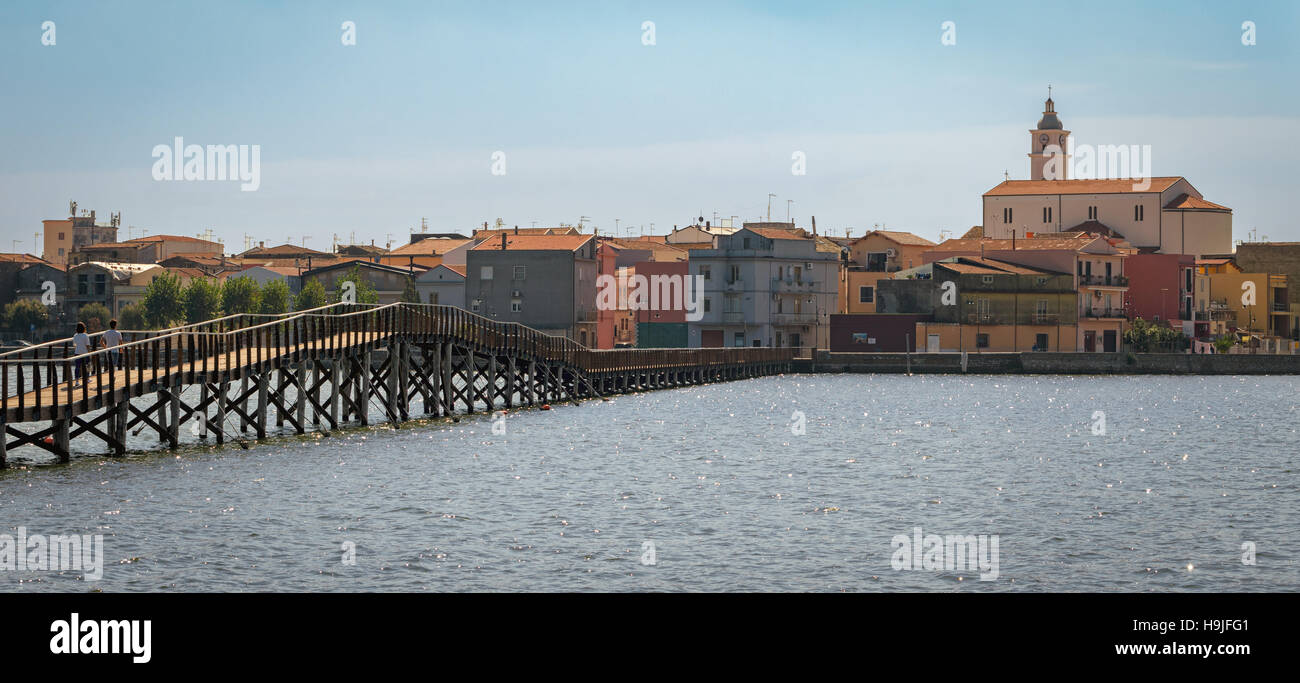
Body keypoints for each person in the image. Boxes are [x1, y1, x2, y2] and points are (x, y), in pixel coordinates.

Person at [72, 321, 90, 388]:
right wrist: (89, 352)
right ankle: (87, 378)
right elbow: (87, 345)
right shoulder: (85, 335)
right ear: (84, 328)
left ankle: (77, 381)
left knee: (77, 367)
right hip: (85, 353)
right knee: (88, 365)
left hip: (77, 353)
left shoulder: (75, 335)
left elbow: (74, 345)